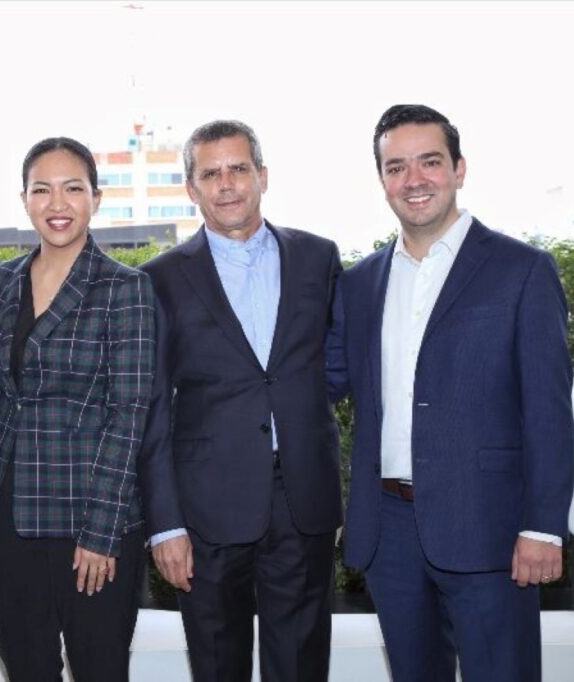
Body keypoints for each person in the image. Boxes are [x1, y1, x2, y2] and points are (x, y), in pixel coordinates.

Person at [330, 104, 574, 681]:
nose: (413, 180)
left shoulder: (522, 270)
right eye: (396, 167)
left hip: (490, 529)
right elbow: (320, 378)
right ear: (382, 180)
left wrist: (543, 527)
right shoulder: (361, 283)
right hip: (389, 532)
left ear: (459, 169)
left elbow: (548, 412)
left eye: (430, 162)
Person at [139, 120, 343, 682]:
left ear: (263, 176)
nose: (226, 184)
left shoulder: (318, 258)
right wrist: (165, 525)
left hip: (302, 500)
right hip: (205, 510)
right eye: (211, 174)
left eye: (238, 169)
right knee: (216, 665)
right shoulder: (158, 279)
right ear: (191, 188)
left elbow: (336, 369)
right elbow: (151, 410)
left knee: (300, 667)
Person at [0, 137, 155, 681]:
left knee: (99, 668)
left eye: (73, 188)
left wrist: (102, 532)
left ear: (95, 199)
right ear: (24, 200)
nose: (57, 204)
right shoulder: (2, 280)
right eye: (42, 190)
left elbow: (129, 415)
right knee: (26, 668)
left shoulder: (125, 287)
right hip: (9, 513)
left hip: (91, 517)